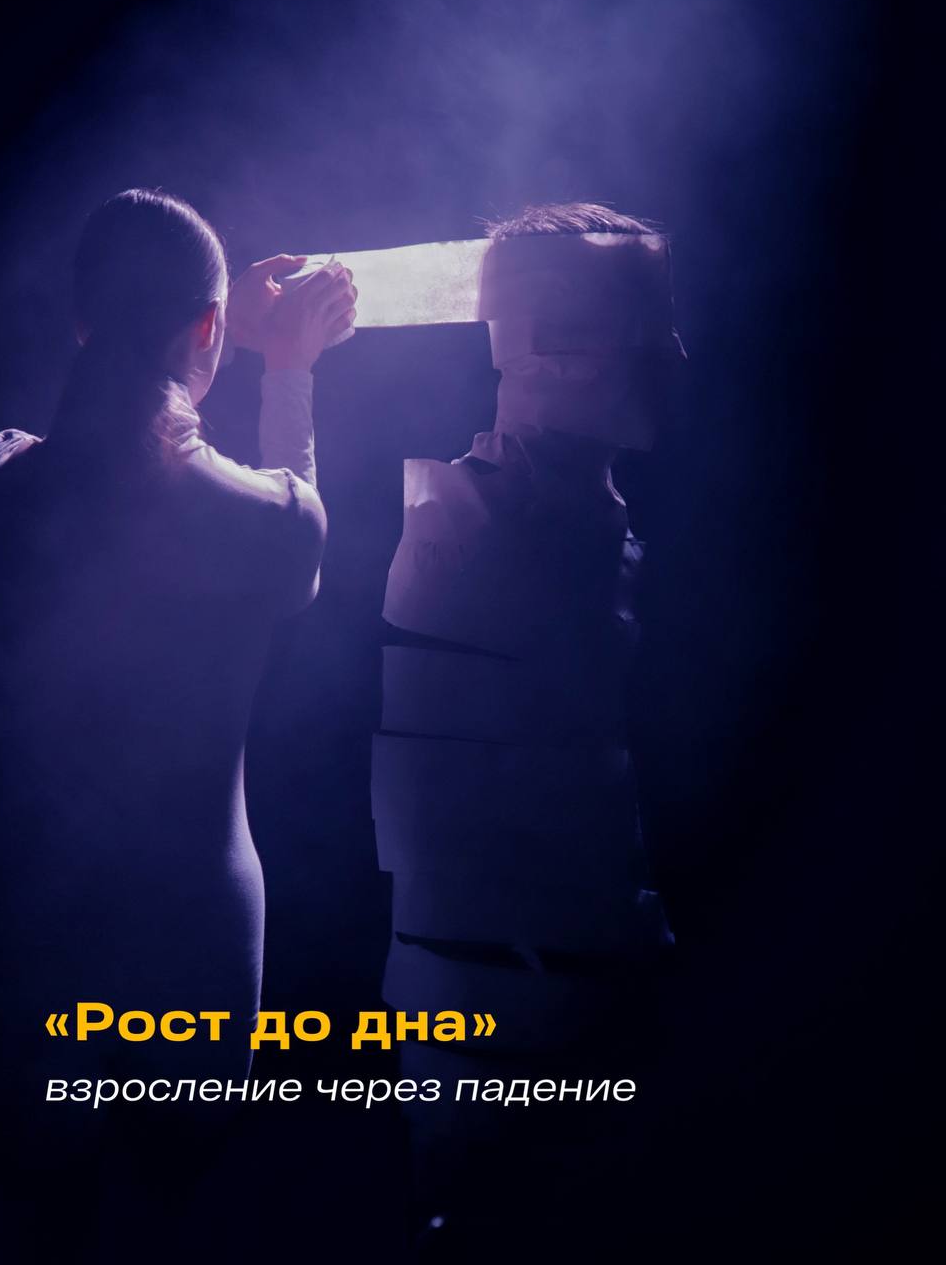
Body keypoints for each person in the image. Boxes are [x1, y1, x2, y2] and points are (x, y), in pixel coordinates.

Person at [0, 188, 356, 1116]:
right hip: (191, 938)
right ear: (207, 328)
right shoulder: (271, 521)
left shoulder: (0, 485)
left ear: (81, 322)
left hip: (18, 920)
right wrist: (286, 366)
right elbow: (294, 520)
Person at [371, 202, 685, 1259]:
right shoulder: (500, 526)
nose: (674, 353)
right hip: (520, 992)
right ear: (558, 353)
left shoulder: (574, 519)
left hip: (542, 979)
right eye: (647, 323)